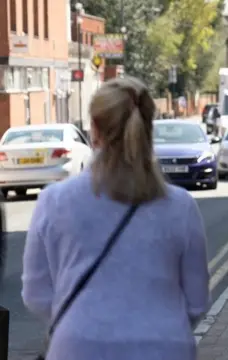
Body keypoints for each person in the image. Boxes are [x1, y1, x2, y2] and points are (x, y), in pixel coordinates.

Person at [22, 77, 209, 360]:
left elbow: (36, 294)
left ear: (94, 131)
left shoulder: (54, 201)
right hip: (164, 347)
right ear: (148, 129)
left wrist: (81, 321)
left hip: (78, 347)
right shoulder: (180, 207)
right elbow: (197, 301)